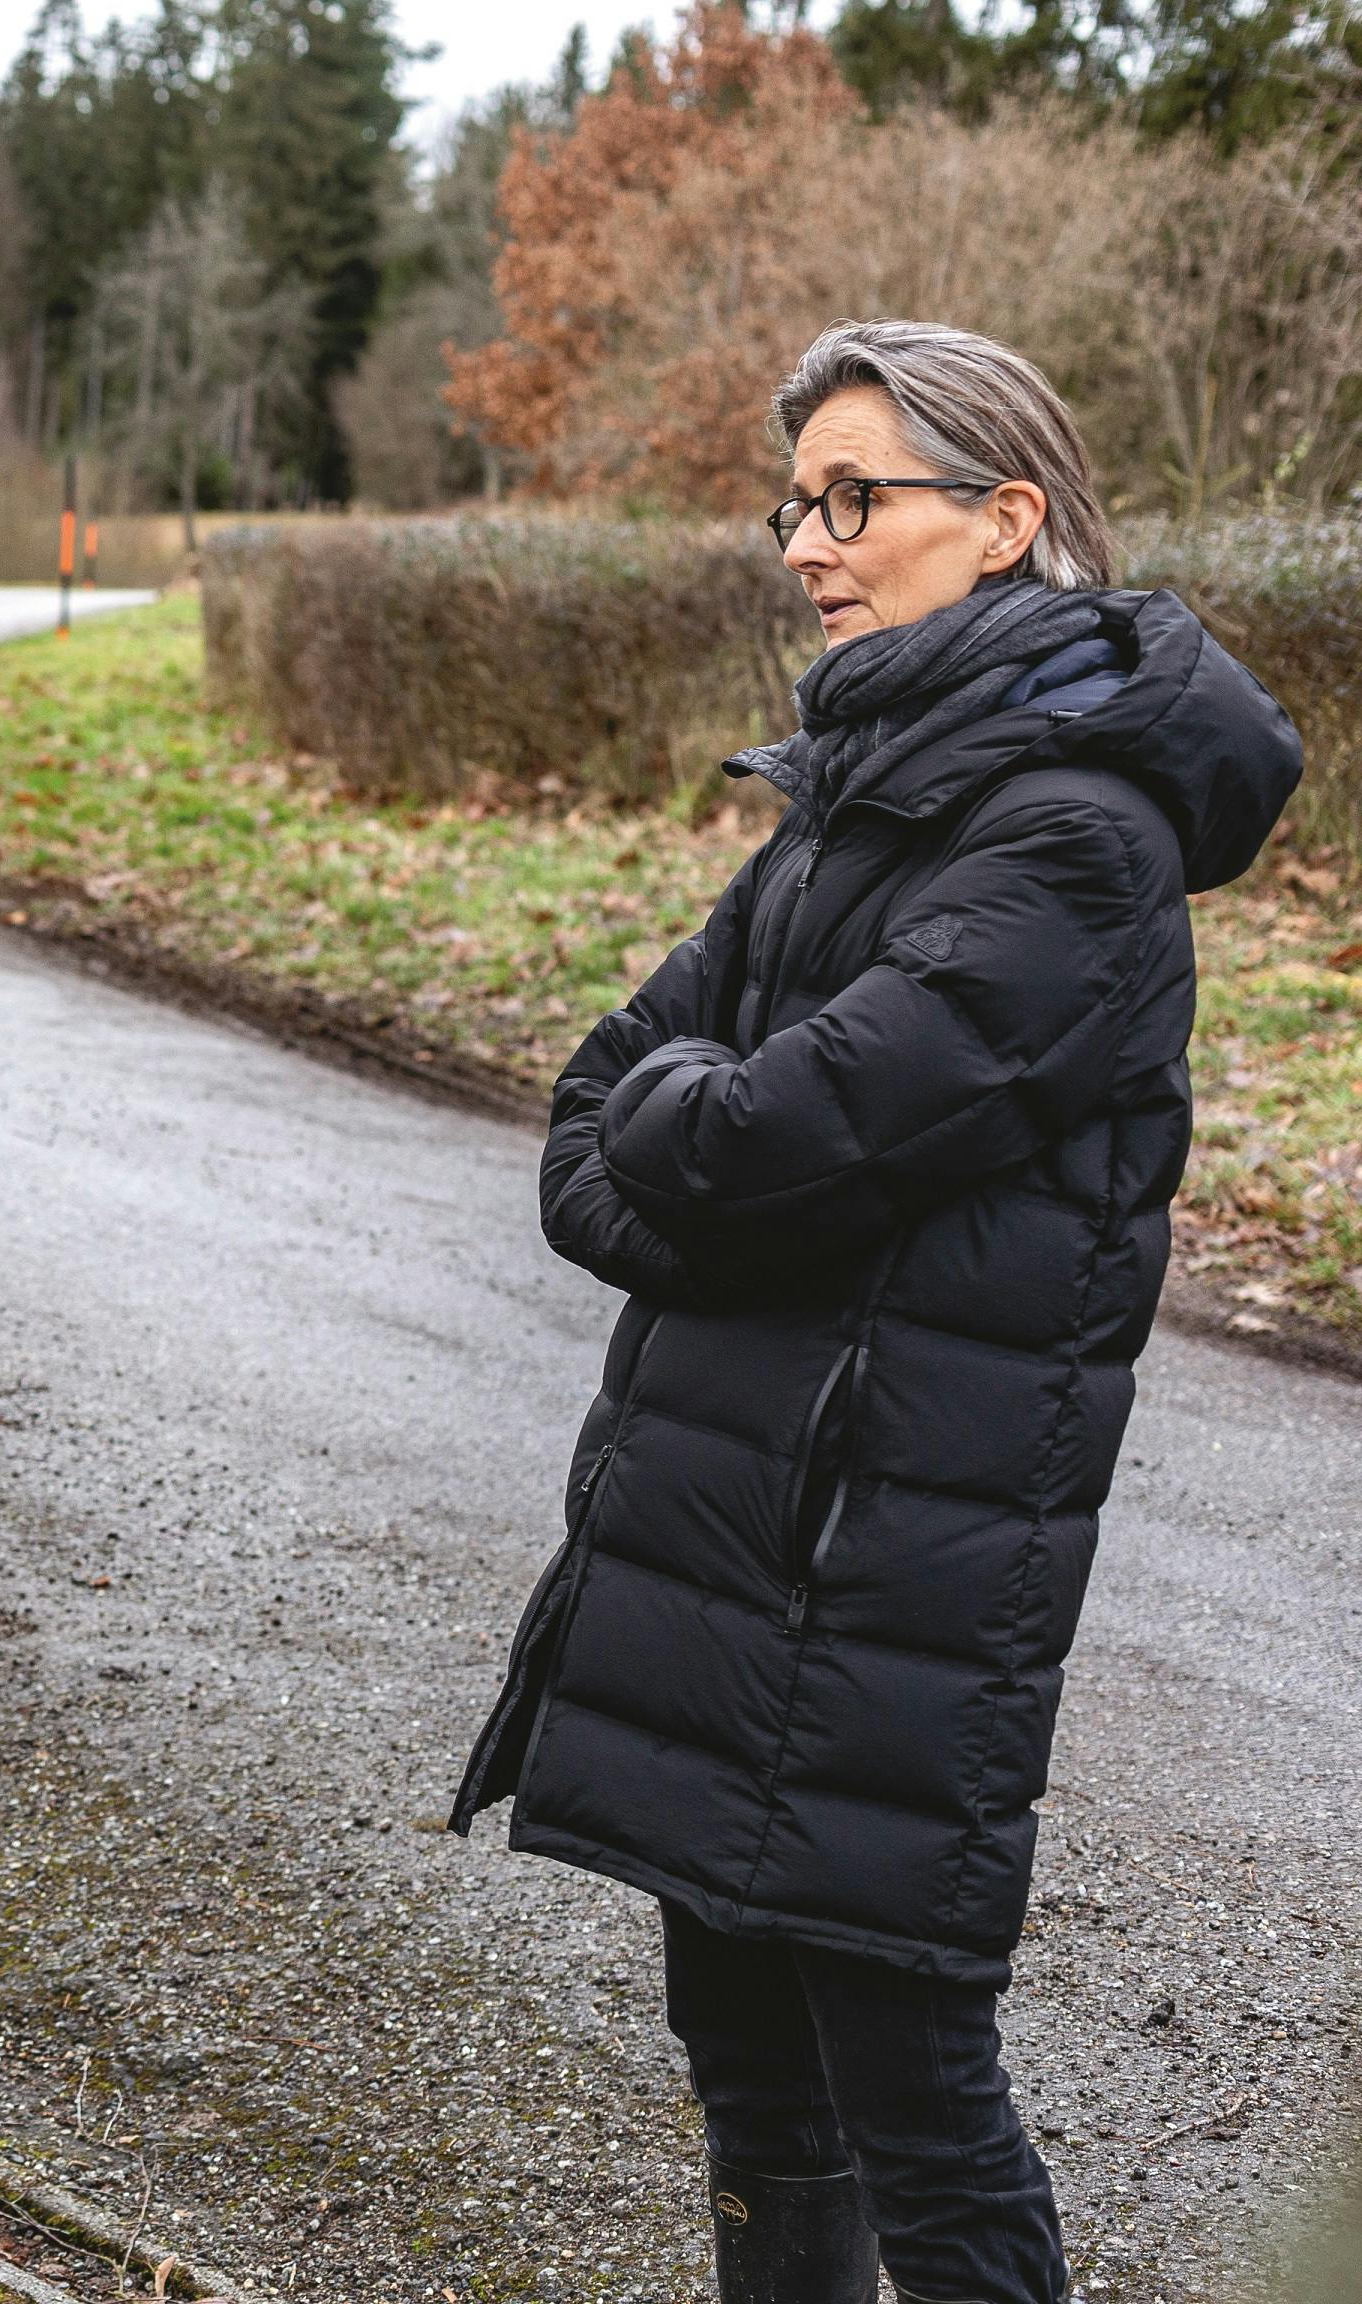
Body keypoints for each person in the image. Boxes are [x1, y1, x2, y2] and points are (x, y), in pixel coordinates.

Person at [451, 318, 1299, 2304]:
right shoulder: (853, 799)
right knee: (749, 2068)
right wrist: (698, 1142)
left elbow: (758, 1132)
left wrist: (700, 1142)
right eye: (797, 507)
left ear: (1007, 520)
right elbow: (604, 1125)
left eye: (859, 499)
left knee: (910, 2088)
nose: (812, 543)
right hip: (734, 1546)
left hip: (882, 1575)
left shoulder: (1076, 839)